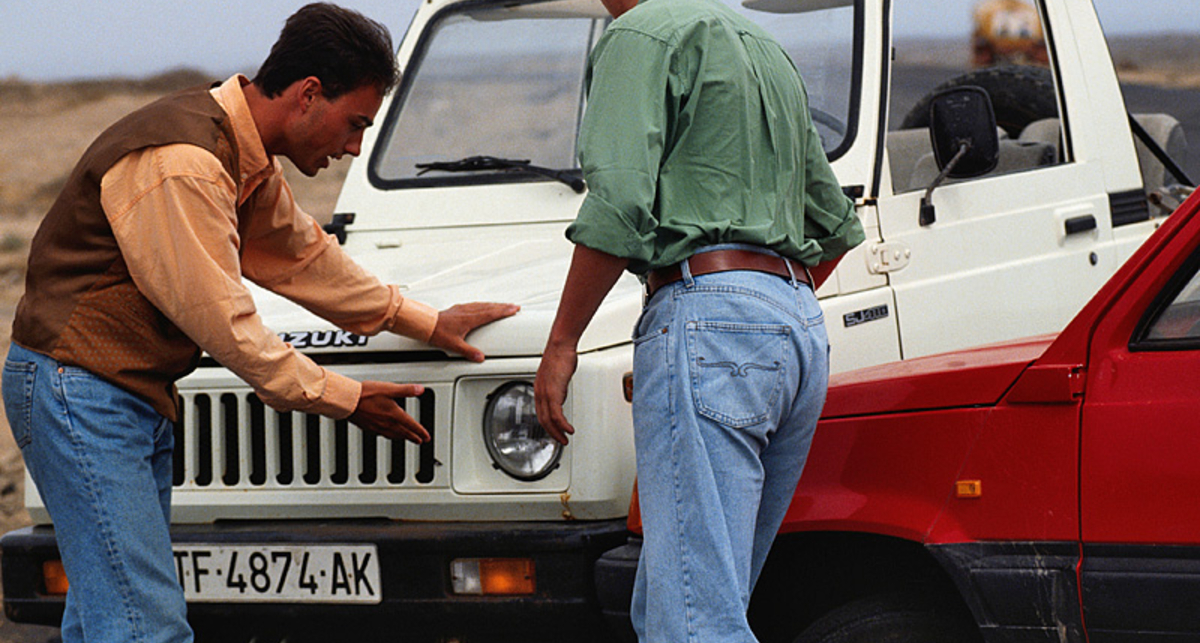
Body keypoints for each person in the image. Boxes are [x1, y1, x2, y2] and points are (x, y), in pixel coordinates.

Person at [0, 4, 517, 642]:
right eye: (355, 124)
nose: (354, 147)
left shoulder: (238, 153)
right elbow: (224, 322)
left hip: (121, 393)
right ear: (308, 95)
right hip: (79, 390)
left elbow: (304, 258)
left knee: (105, 614)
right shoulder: (184, 162)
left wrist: (425, 321)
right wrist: (345, 397)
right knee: (142, 626)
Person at [533, 0, 864, 639]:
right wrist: (740, 322)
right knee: (684, 604)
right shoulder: (762, 45)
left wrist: (565, 344)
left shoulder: (638, 33)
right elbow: (836, 224)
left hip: (711, 317)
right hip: (796, 323)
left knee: (693, 621)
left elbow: (620, 205)